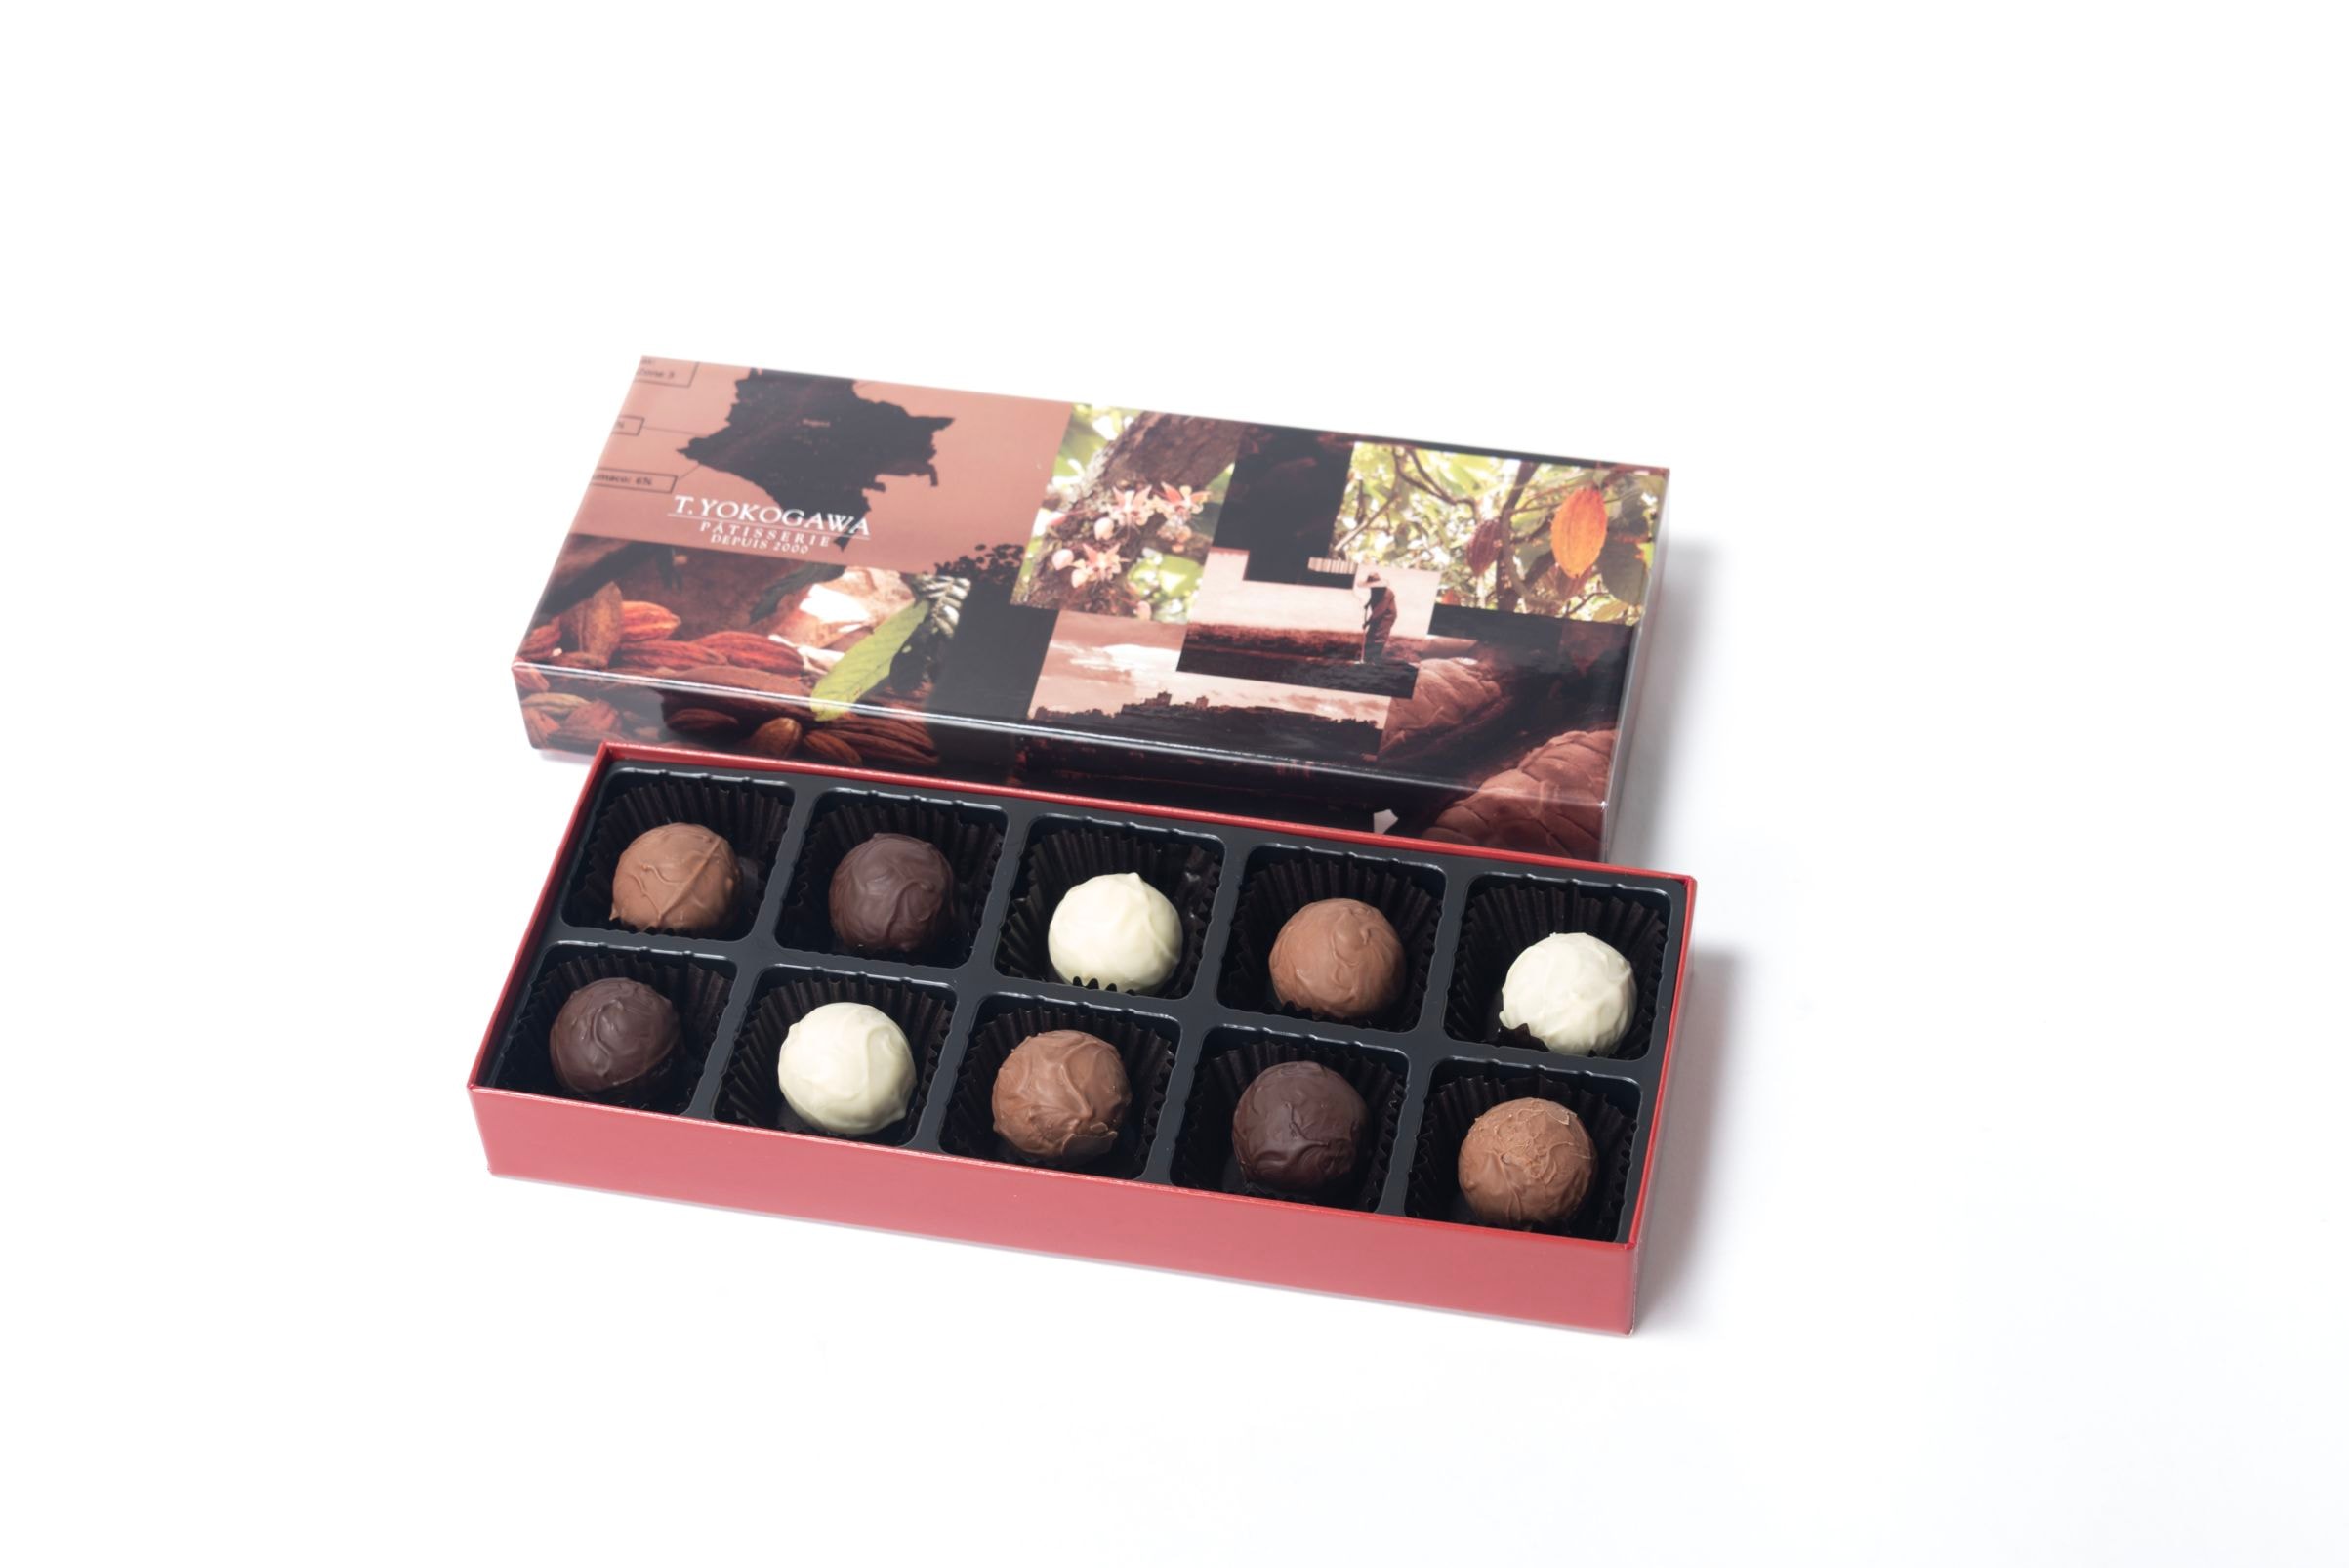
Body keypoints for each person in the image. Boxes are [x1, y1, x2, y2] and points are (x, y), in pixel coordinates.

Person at [1360, 571, 1397, 664]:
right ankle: (1367, 658)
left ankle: (1374, 659)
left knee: (1379, 636)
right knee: (1370, 634)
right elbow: (1373, 598)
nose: (1371, 587)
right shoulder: (1374, 589)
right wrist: (1368, 604)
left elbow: (1379, 611)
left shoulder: (1387, 593)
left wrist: (1368, 622)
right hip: (1377, 614)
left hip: (1387, 616)